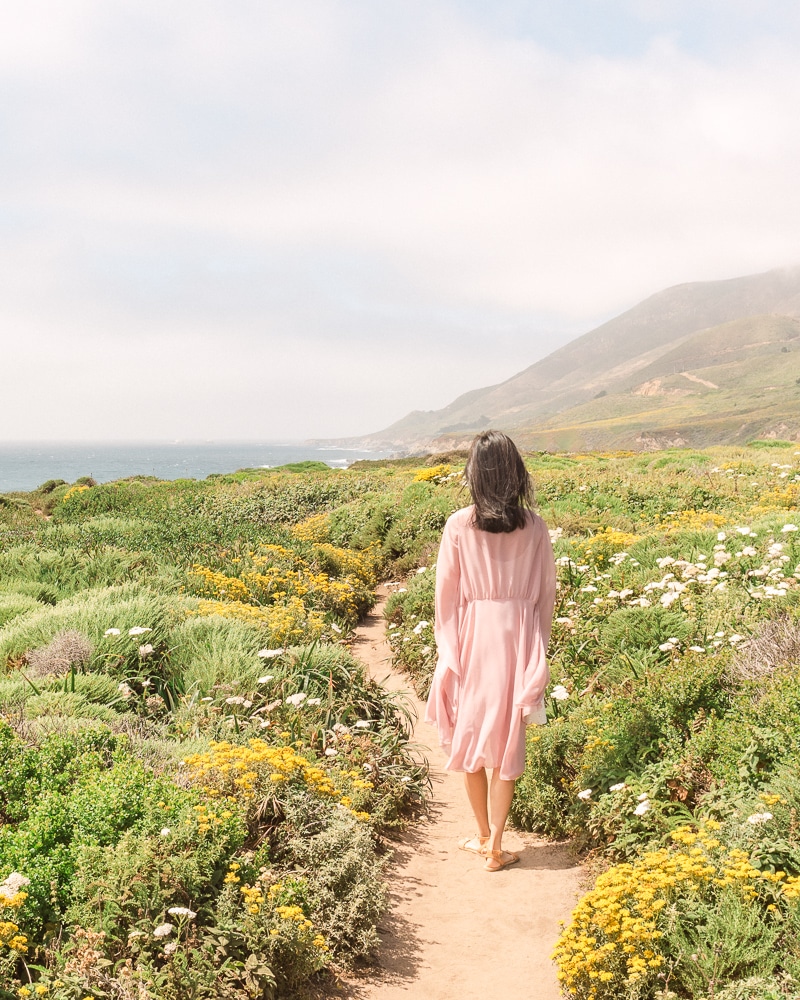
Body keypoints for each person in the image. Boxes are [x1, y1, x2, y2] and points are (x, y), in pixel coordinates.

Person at [424, 430, 556, 872]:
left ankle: (482, 836)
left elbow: (446, 596)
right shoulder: (535, 526)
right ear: (515, 471)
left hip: (474, 635)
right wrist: (537, 649)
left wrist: (449, 652)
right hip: (517, 636)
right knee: (507, 739)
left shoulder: (459, 524)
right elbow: (544, 595)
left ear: (476, 475)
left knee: (472, 734)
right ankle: (497, 845)